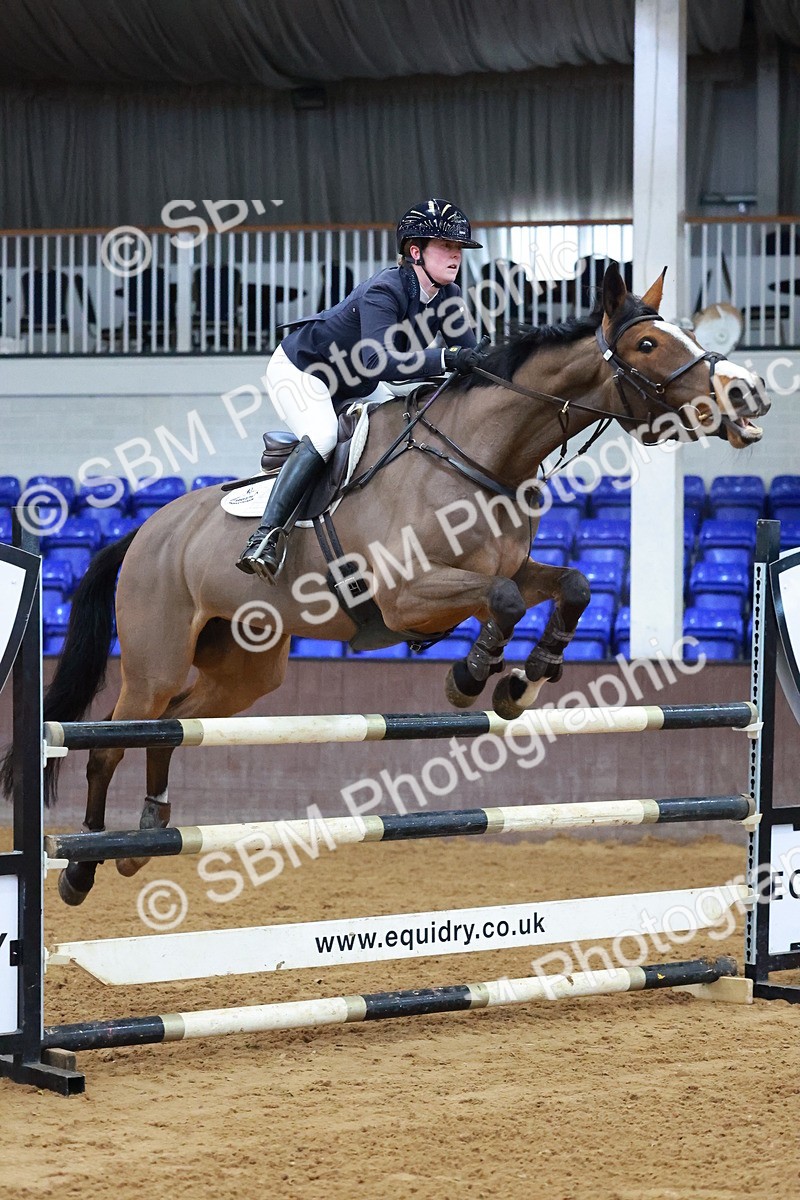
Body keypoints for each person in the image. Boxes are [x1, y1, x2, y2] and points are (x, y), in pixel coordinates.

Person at [236, 198, 488, 580]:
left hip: (359, 384)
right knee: (322, 436)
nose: (456, 256)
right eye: (447, 247)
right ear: (415, 252)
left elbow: (467, 358)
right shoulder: (384, 291)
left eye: (459, 248)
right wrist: (446, 359)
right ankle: (265, 538)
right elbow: (381, 363)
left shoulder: (448, 296)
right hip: (304, 373)